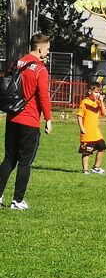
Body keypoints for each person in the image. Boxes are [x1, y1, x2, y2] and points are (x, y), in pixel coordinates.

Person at [0, 33, 52, 210]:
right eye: (47, 49)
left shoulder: (16, 63)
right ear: (40, 48)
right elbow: (43, 97)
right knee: (25, 162)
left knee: (9, 159)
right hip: (29, 120)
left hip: (12, 117)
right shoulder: (40, 70)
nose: (48, 52)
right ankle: (17, 200)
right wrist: (48, 119)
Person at [77, 81, 106, 174]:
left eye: (99, 92)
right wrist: (82, 127)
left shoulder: (98, 102)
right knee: (86, 151)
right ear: (90, 91)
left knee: (102, 148)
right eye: (96, 92)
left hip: (96, 132)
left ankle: (96, 167)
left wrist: (101, 102)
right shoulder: (84, 102)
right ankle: (85, 170)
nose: (98, 94)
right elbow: (79, 116)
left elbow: (104, 114)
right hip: (87, 132)